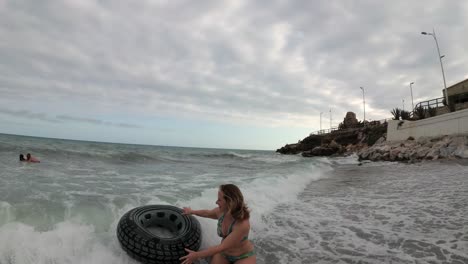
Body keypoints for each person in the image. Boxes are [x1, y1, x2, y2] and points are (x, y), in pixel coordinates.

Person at [180, 184, 256, 264]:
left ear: (229, 202)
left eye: (219, 200)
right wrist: (192, 212)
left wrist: (196, 255)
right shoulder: (221, 212)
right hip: (224, 254)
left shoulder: (242, 224)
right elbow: (207, 213)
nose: (216, 202)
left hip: (243, 256)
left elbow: (220, 248)